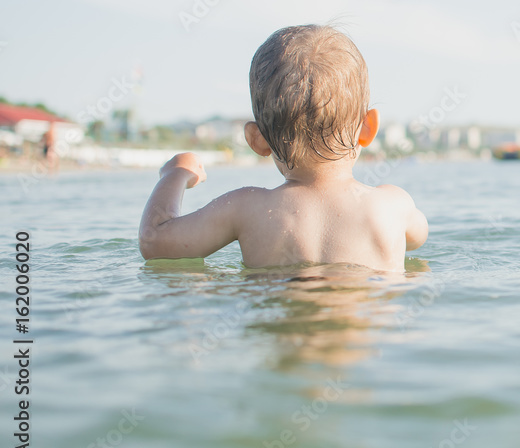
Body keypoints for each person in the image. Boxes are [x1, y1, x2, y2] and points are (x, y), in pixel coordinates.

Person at [138, 24, 428, 271]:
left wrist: (175, 175)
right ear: (368, 127)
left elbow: (154, 241)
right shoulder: (393, 205)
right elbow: (418, 238)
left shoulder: (245, 208)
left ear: (257, 139)